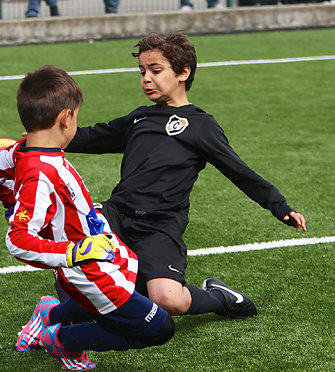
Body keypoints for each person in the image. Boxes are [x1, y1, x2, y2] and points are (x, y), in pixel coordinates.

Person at [64, 32, 307, 317]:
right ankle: (66, 316)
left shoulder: (201, 126)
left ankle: (220, 297)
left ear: (183, 72)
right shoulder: (141, 118)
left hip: (160, 223)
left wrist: (280, 207)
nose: (146, 79)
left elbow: (239, 171)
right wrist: (47, 137)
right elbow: (92, 137)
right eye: (142, 72)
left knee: (168, 299)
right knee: (75, 240)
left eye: (155, 71)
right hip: (117, 212)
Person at [0, 65, 175, 371]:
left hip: (99, 247)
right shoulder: (38, 174)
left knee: (123, 293)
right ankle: (62, 340)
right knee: (159, 327)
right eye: (76, 117)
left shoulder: (27, 150)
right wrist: (74, 252)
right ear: (66, 118)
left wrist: (9, 165)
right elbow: (18, 240)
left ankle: (49, 316)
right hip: (87, 267)